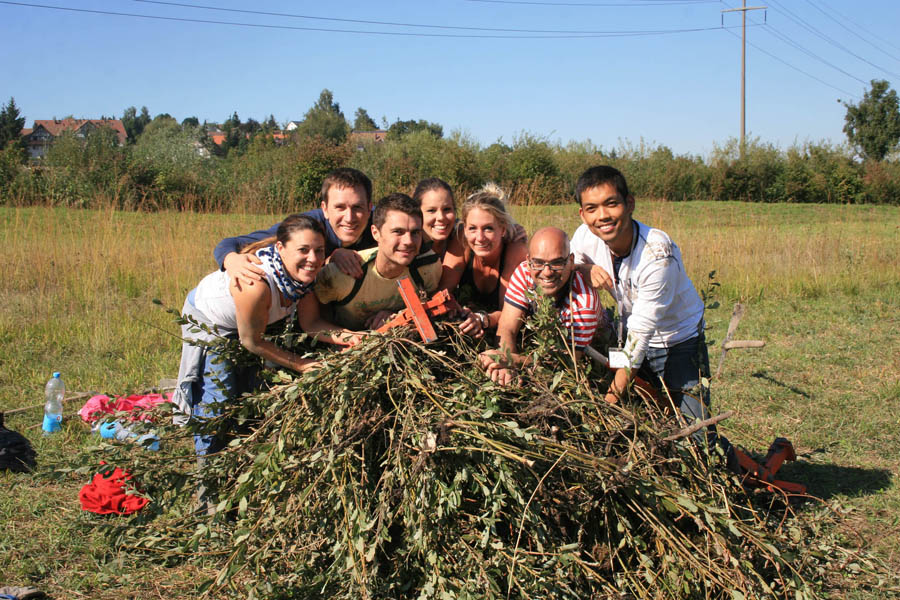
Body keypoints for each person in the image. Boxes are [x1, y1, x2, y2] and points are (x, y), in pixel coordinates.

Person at [173, 215, 354, 455]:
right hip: (210, 321)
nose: (313, 259)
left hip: (247, 324)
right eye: (303, 250)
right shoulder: (256, 285)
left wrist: (354, 337)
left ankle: (239, 456)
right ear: (280, 248)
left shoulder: (304, 280)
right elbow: (252, 341)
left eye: (319, 250)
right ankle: (209, 470)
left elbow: (311, 323)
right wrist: (302, 365)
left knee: (253, 389)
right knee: (220, 397)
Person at [570, 165, 713, 430]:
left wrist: (607, 405)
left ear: (629, 203)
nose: (602, 216)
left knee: (694, 433)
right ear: (582, 214)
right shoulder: (584, 237)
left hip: (678, 340)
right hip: (630, 335)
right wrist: (585, 268)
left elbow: (641, 338)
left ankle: (725, 467)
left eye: (611, 204)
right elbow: (567, 265)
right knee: (647, 420)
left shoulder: (657, 254)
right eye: (591, 208)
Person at [299, 193, 442, 334]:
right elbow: (315, 319)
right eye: (398, 232)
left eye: (415, 232)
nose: (409, 241)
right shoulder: (342, 274)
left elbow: (431, 305)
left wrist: (398, 316)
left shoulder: (428, 267)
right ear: (376, 233)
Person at [478, 227, 602, 386]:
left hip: (589, 357)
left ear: (571, 261)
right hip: (542, 346)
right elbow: (507, 327)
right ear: (529, 261)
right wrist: (506, 367)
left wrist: (510, 359)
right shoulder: (524, 272)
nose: (547, 272)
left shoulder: (584, 303)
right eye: (538, 263)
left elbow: (564, 367)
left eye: (557, 263)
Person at [213, 167, 376, 287]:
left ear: (369, 208)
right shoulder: (306, 228)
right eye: (340, 207)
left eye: (357, 208)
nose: (349, 218)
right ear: (325, 209)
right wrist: (231, 260)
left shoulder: (383, 224)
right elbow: (229, 243)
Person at [439, 183, 528, 334]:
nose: (479, 238)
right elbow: (441, 294)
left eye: (488, 228)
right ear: (464, 229)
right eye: (472, 228)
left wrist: (482, 319)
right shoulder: (461, 242)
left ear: (503, 229)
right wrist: (451, 306)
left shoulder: (514, 250)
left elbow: (509, 313)